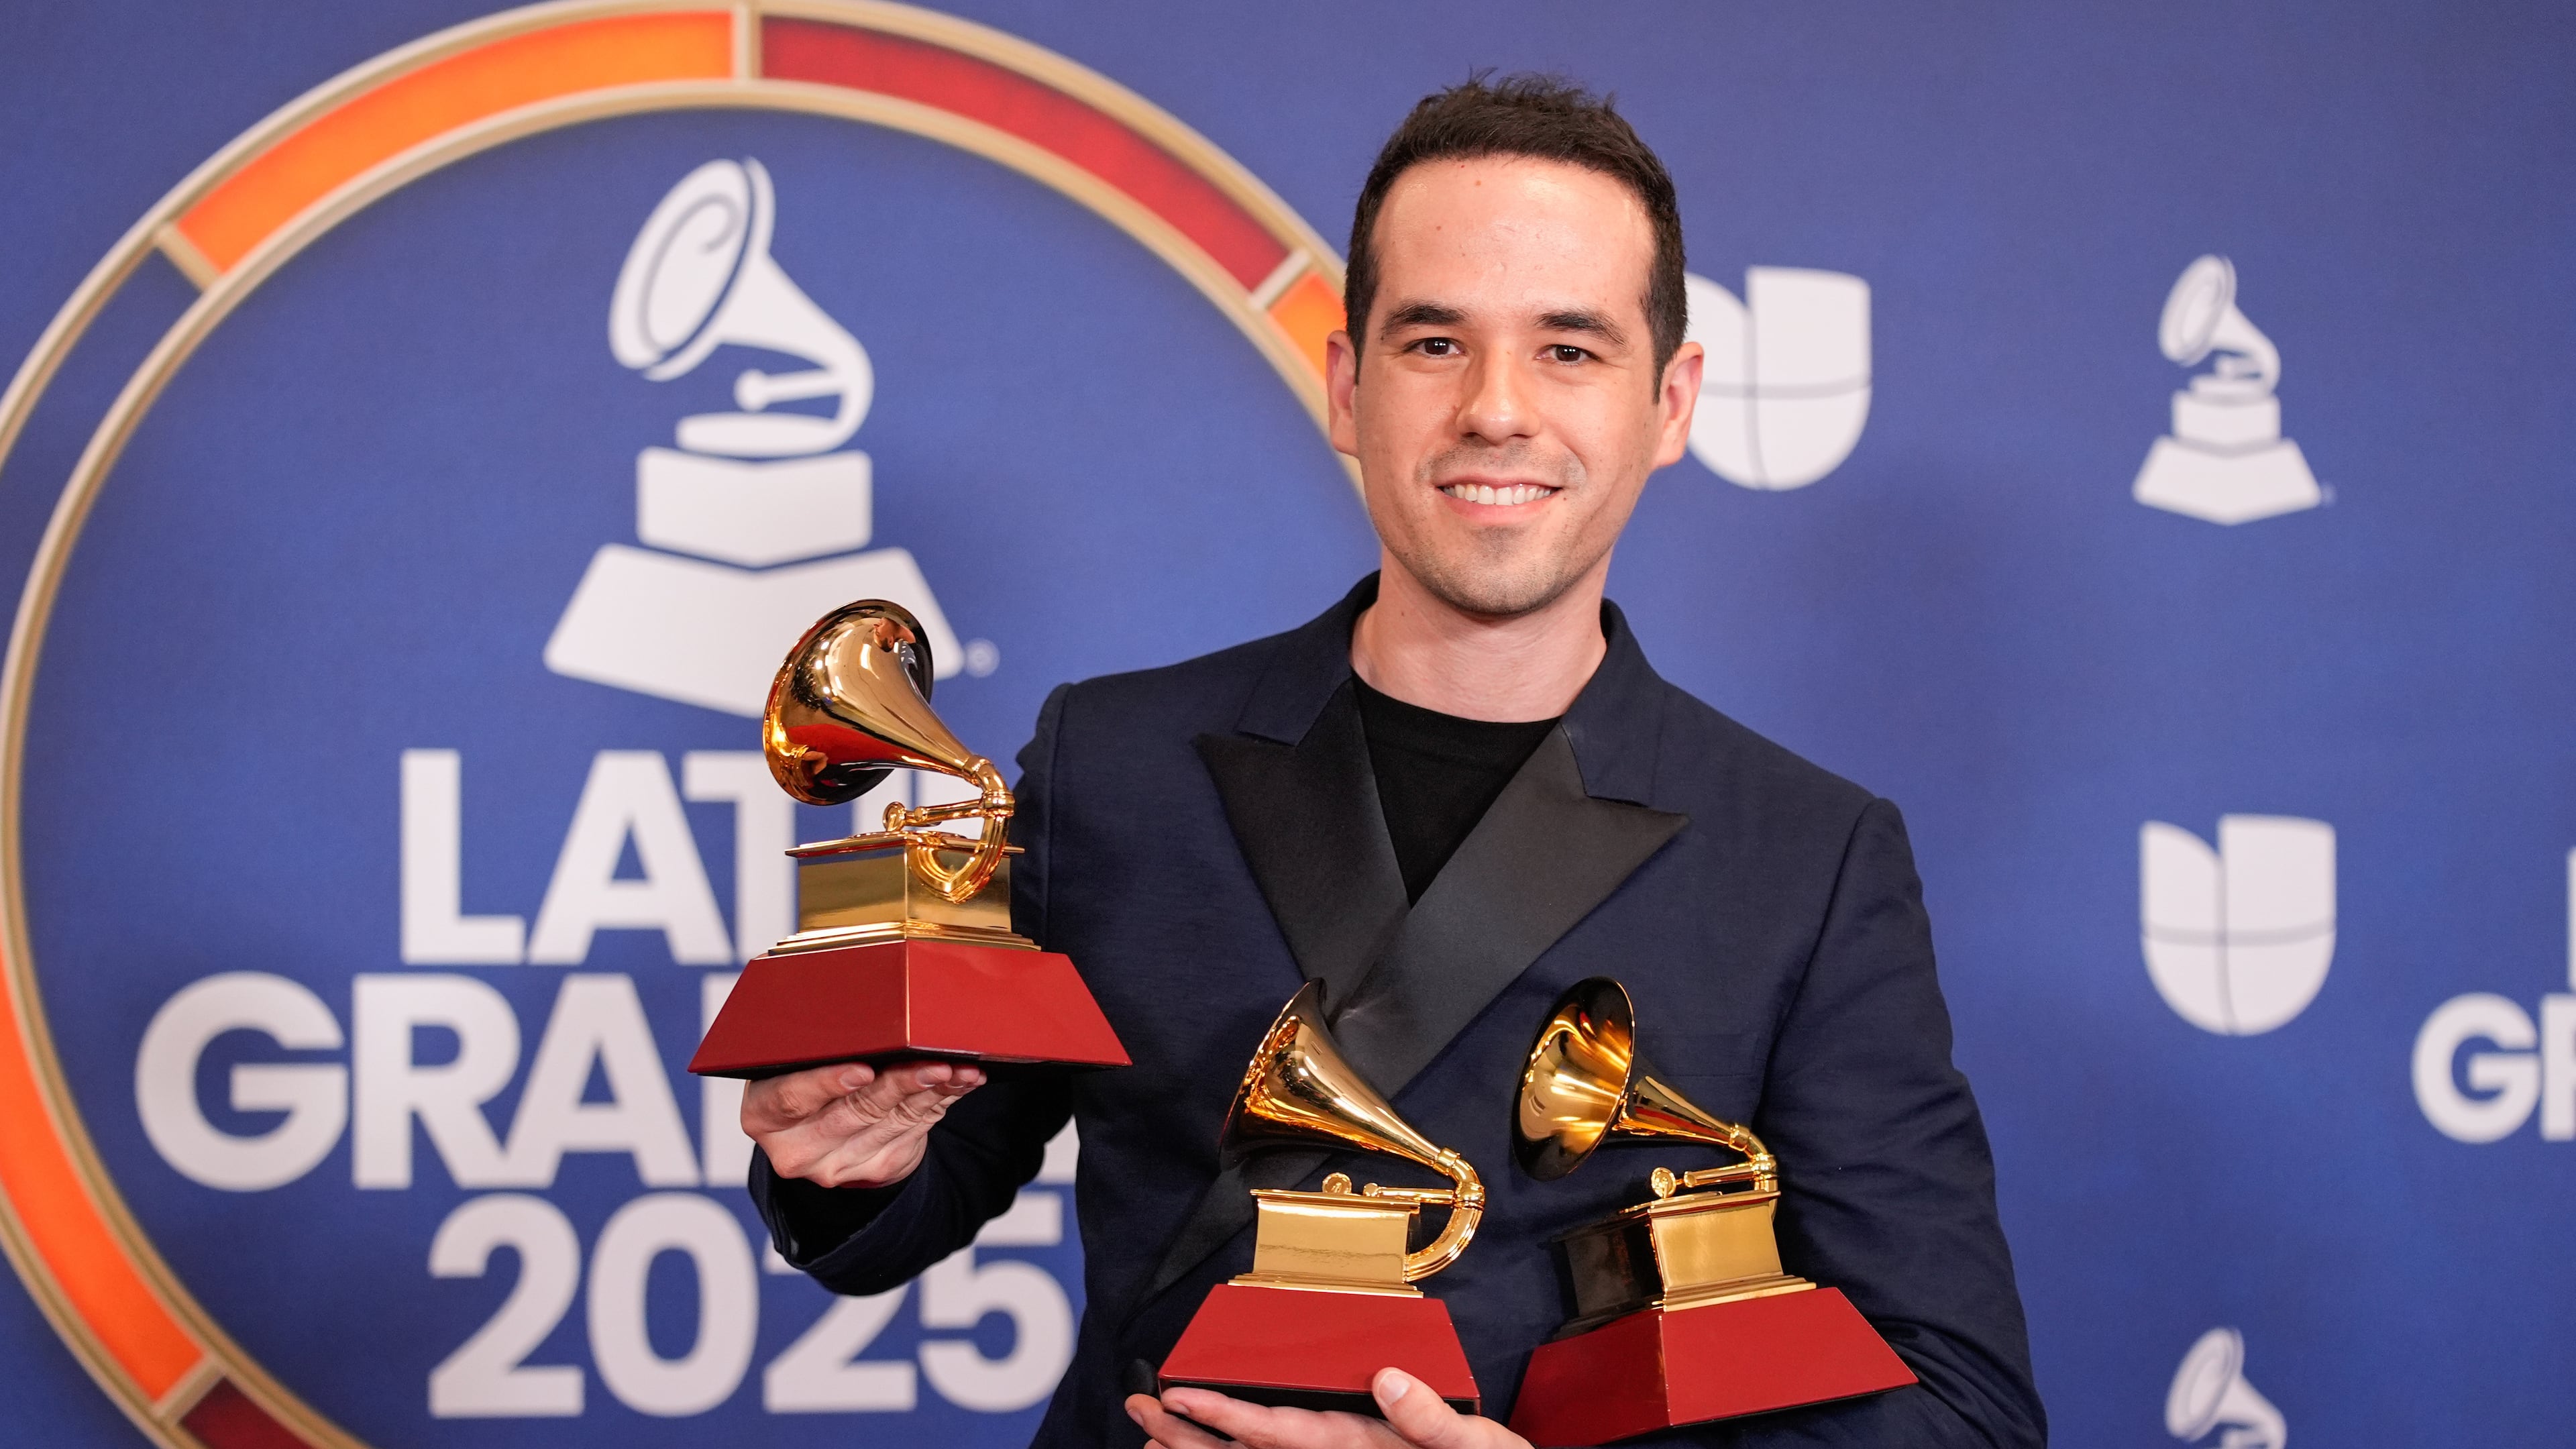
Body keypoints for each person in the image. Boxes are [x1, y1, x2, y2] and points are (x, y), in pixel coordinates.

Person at [745, 75, 2045, 1449]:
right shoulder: (1109, 762)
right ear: (1347, 387)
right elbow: (919, 1198)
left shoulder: (1809, 855)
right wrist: (845, 1162)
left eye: (1570, 349)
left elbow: (1962, 1408)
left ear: (1669, 403)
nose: (1496, 410)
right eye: (1435, 343)